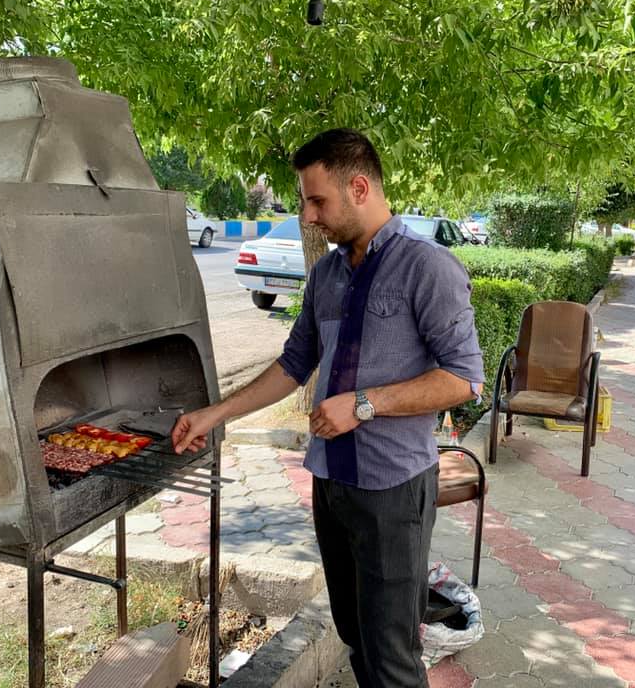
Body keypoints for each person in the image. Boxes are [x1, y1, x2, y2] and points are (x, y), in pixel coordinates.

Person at [171, 128, 483, 687]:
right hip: (331, 482)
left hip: (392, 489)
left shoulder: (427, 267)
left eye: (317, 201)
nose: (308, 217)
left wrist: (364, 405)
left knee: (391, 656)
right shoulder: (326, 274)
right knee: (354, 635)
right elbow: (294, 363)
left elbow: (463, 379)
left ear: (359, 188)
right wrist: (215, 414)